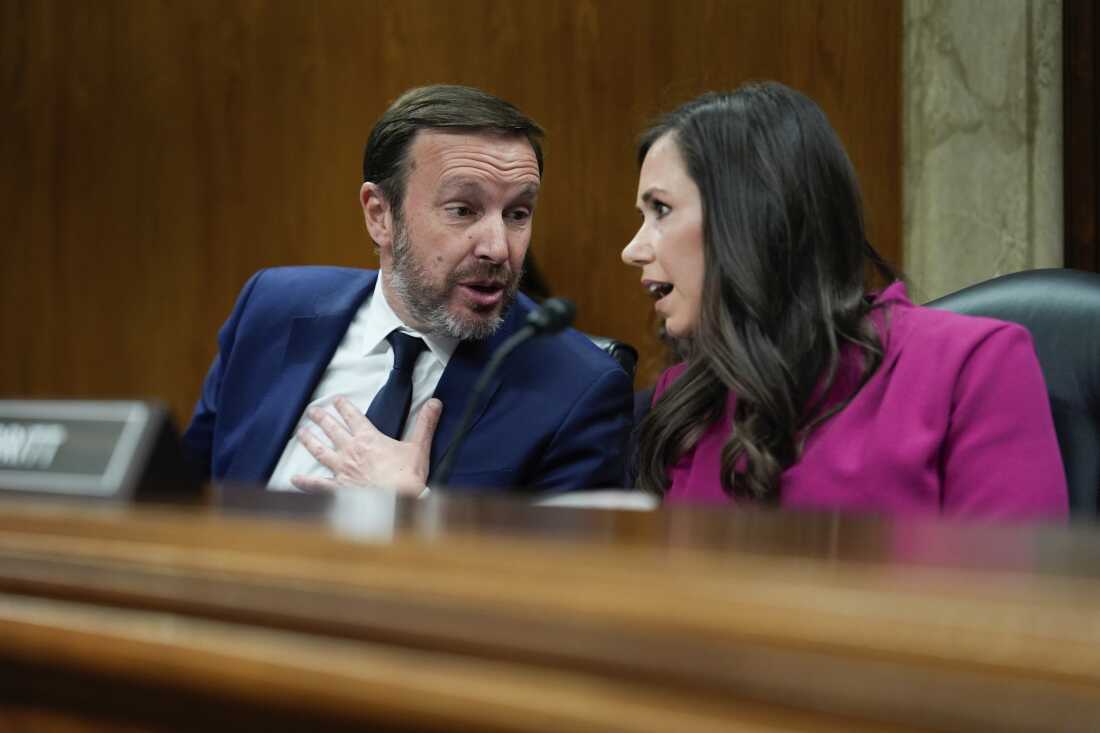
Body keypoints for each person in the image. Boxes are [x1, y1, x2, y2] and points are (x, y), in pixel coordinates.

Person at [621, 82, 1068, 520]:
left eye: (661, 209)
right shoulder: (682, 399)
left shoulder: (974, 364)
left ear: (752, 216)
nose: (632, 250)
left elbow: (1013, 568)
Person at [184, 85, 632, 495]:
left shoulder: (577, 390)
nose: (498, 248)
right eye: (462, 210)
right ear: (380, 215)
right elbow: (178, 498)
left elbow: (555, 560)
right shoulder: (270, 307)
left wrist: (415, 511)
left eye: (517, 214)